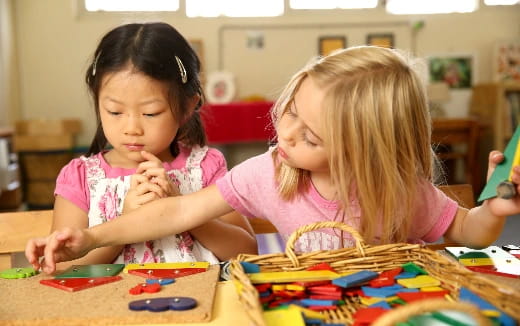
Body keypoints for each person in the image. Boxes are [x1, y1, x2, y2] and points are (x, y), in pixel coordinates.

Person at [27, 46, 518, 274]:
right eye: (289, 111)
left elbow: (467, 233)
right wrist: (91, 237)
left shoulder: (399, 191)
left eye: (310, 135)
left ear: (367, 152)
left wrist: (493, 210)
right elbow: (176, 210)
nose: (284, 133)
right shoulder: (269, 171)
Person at [38, 22, 257, 270]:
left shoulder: (205, 167)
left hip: (200, 302)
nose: (132, 128)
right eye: (115, 111)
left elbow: (246, 251)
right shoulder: (81, 177)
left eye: (151, 113)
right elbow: (62, 268)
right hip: (109, 307)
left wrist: (182, 209)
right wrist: (126, 222)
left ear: (186, 107)